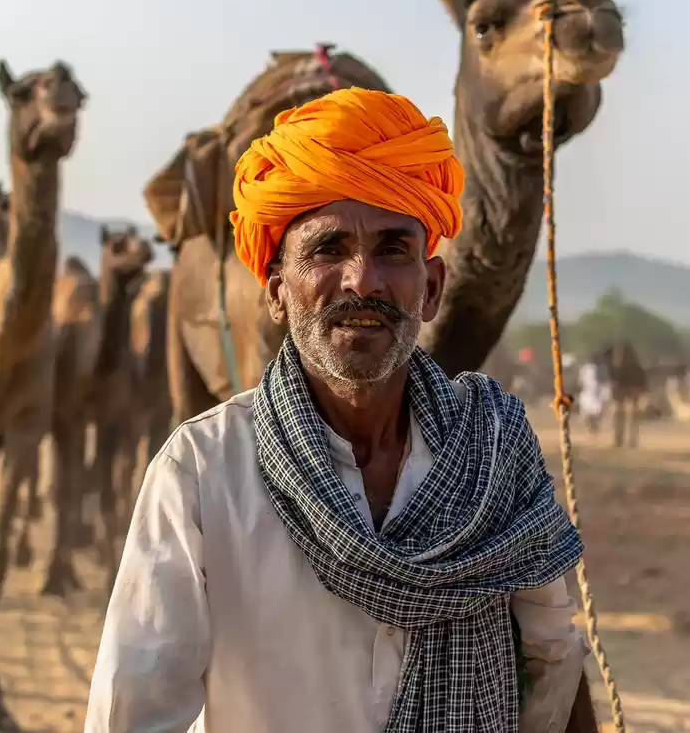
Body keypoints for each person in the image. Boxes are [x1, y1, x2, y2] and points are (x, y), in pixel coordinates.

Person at [84, 88, 589, 733]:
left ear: (431, 287)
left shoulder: (495, 452)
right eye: (326, 250)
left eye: (392, 251)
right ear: (275, 289)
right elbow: (134, 714)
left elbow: (553, 661)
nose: (362, 280)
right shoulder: (201, 474)